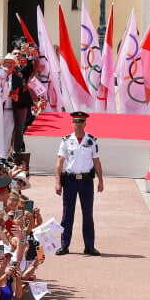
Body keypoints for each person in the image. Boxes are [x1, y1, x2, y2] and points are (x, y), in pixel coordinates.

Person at [54, 110, 103, 256]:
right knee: (67, 214)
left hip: (86, 181)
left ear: (85, 123)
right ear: (72, 123)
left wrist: (101, 180)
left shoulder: (91, 141)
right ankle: (64, 245)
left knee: (88, 214)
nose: (78, 124)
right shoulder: (66, 140)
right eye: (76, 122)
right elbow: (59, 163)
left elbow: (97, 161)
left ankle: (89, 246)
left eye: (81, 122)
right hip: (70, 181)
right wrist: (58, 182)